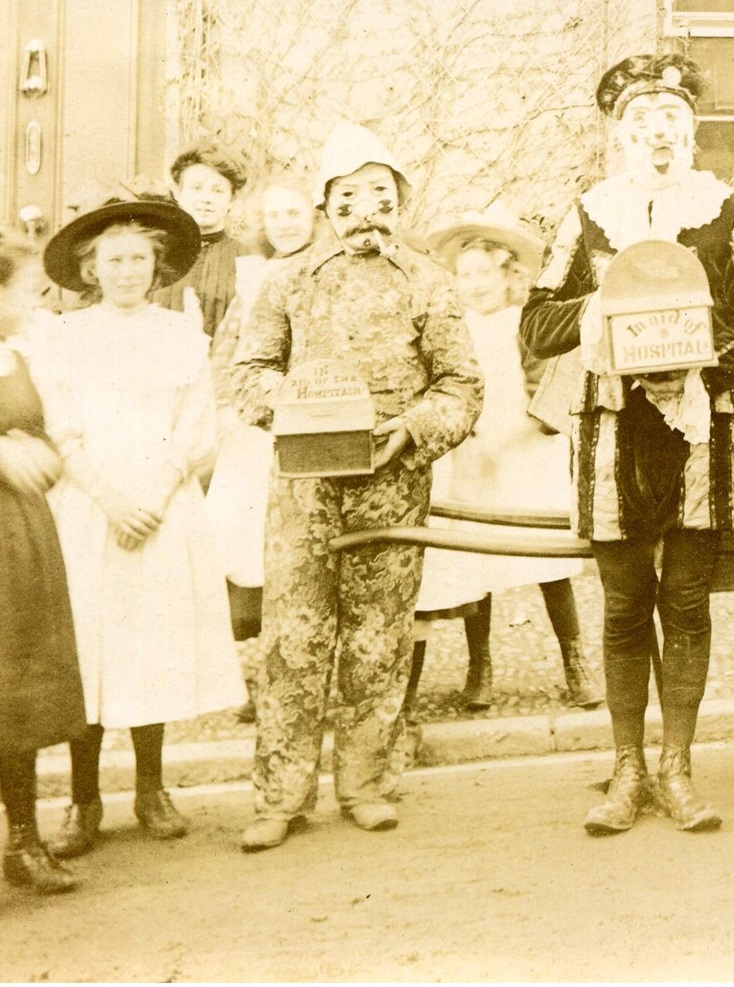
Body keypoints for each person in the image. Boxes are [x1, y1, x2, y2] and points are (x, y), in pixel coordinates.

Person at [521, 53, 734, 834]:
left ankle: (678, 769)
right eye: (640, 122)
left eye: (670, 118)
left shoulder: (727, 213)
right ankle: (628, 770)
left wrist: (702, 366)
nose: (656, 134)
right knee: (626, 605)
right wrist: (604, 303)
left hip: (701, 430)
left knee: (689, 602)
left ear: (690, 129)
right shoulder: (589, 215)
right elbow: (535, 324)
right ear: (618, 136)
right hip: (611, 429)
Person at [231, 123, 483, 851]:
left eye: (378, 193)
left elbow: (463, 386)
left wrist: (412, 426)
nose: (363, 209)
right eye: (346, 196)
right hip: (304, 492)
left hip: (391, 485)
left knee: (378, 637)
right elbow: (248, 374)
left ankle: (367, 783)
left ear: (399, 201)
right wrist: (296, 408)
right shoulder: (289, 281)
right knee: (292, 639)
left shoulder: (428, 284)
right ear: (325, 206)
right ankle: (280, 796)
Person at [30, 191, 245, 859]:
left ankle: (151, 788)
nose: (127, 270)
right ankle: (84, 798)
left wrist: (151, 496)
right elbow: (59, 428)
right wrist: (109, 498)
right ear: (91, 269)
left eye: (139, 259)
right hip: (90, 507)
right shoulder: (61, 337)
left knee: (149, 639)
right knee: (91, 645)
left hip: (162, 506)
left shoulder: (181, 335)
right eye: (113, 259)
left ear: (157, 266)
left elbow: (195, 427)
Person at [408, 208, 601, 718]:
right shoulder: (455, 328)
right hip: (473, 455)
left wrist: (524, 430)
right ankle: (481, 665)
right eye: (464, 275)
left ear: (505, 275)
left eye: (482, 274)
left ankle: (575, 658)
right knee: (479, 558)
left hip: (525, 452)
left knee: (545, 557)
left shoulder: (523, 324)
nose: (473, 285)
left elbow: (547, 388)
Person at [205, 176, 319, 723]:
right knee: (245, 552)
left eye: (294, 212)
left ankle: (302, 677)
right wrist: (229, 410)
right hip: (253, 434)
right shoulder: (252, 277)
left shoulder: (327, 269)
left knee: (304, 556)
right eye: (275, 215)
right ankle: (253, 680)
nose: (285, 223)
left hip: (310, 426)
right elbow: (227, 352)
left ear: (312, 216)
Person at [0, 231, 86, 895]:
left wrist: (46, 452)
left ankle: (23, 842)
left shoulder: (18, 351)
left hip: (21, 540)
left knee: (17, 694)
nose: (34, 301)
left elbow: (48, 429)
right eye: (24, 290)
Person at [151, 143, 257, 394]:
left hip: (222, 388)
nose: (206, 198)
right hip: (160, 385)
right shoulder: (155, 254)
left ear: (231, 200)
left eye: (218, 190)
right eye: (196, 188)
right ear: (178, 194)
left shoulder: (248, 259)